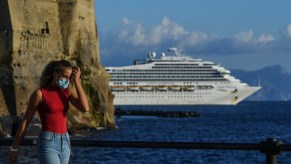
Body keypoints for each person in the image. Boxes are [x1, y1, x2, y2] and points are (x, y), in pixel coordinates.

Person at [9, 60, 90, 164]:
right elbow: (25, 121)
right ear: (55, 74)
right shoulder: (40, 94)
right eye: (65, 76)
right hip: (48, 143)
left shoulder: (67, 91)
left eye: (69, 77)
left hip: (65, 142)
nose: (67, 80)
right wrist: (14, 148)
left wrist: (77, 81)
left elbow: (85, 108)